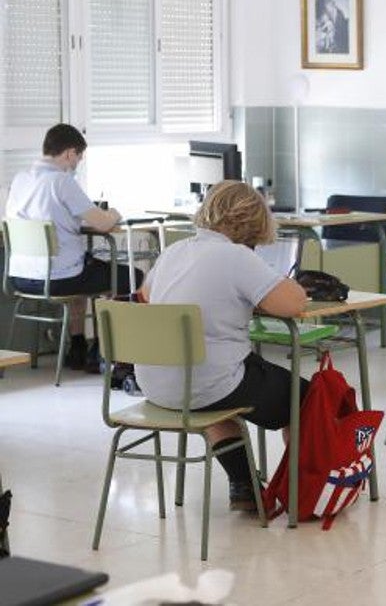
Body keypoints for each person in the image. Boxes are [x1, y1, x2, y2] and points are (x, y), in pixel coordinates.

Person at [136, 181, 309, 511]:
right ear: (253, 222)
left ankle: (245, 487)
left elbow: (146, 295)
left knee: (214, 405)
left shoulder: (174, 251)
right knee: (308, 399)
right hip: (208, 382)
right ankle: (301, 489)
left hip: (157, 382)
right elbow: (291, 305)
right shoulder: (236, 256)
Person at [5, 123, 139, 370]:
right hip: (58, 278)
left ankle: (77, 346)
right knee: (128, 276)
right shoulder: (61, 181)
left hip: (21, 278)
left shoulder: (20, 179)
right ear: (69, 153)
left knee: (84, 266)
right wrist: (114, 212)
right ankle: (105, 348)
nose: (77, 163)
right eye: (78, 157)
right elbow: (103, 224)